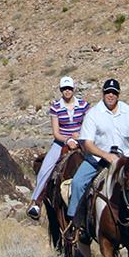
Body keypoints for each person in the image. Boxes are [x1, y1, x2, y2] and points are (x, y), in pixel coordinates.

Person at [63, 78, 129, 242]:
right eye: (108, 92)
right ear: (103, 93)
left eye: (114, 93)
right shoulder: (93, 114)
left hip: (126, 160)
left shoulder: (128, 111)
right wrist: (105, 155)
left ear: (118, 94)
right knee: (78, 182)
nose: (111, 95)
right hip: (98, 159)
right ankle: (75, 223)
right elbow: (87, 143)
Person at [27, 76, 89, 220]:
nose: (67, 91)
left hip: (81, 140)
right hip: (62, 142)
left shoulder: (83, 104)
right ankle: (36, 202)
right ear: (61, 90)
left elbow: (89, 124)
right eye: (64, 89)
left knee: (97, 160)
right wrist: (68, 140)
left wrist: (80, 136)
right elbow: (56, 132)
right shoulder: (56, 106)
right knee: (45, 168)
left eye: (69, 88)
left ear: (73, 89)